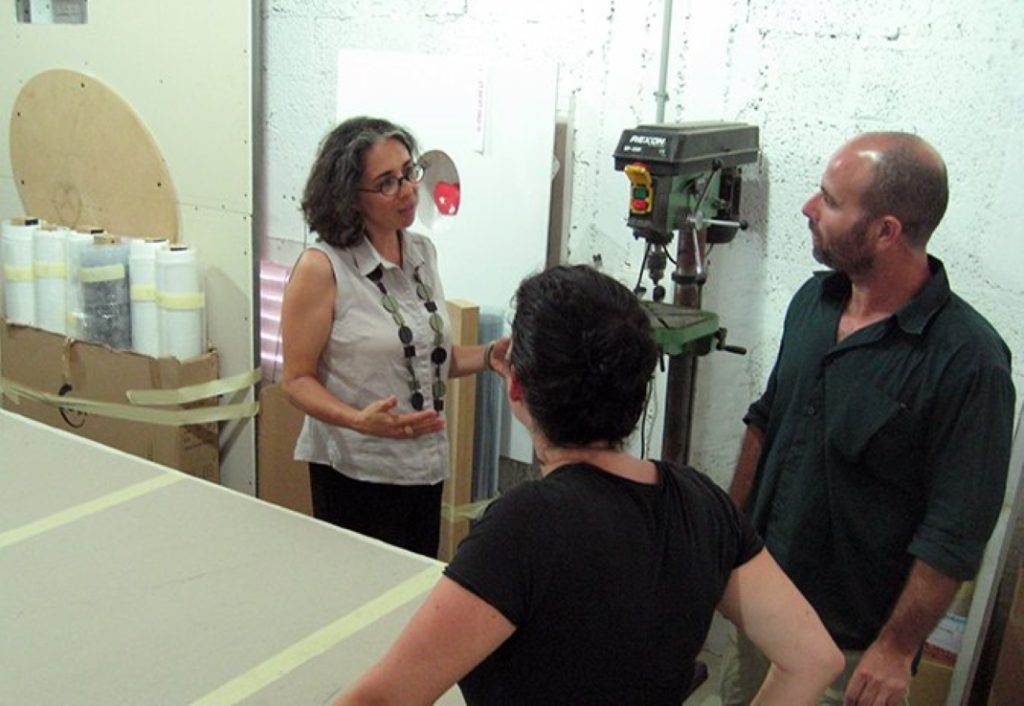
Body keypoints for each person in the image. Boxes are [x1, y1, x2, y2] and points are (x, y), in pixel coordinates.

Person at [333, 264, 843, 706]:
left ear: (515, 385)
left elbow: (382, 699)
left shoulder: (525, 526)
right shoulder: (702, 502)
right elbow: (814, 658)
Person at [721, 132, 1016, 706]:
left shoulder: (968, 361)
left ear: (886, 231)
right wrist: (725, 537)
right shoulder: (814, 302)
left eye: (830, 200)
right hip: (761, 610)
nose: (808, 207)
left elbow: (956, 530)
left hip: (849, 653)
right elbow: (766, 421)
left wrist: (896, 649)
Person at [281, 116, 506, 558]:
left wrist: (488, 356)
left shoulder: (421, 251)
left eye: (408, 173)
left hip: (424, 464)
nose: (408, 190)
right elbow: (296, 379)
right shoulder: (322, 268)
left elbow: (427, 357)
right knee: (360, 586)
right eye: (386, 183)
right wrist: (356, 419)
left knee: (414, 581)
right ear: (349, 196)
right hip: (356, 470)